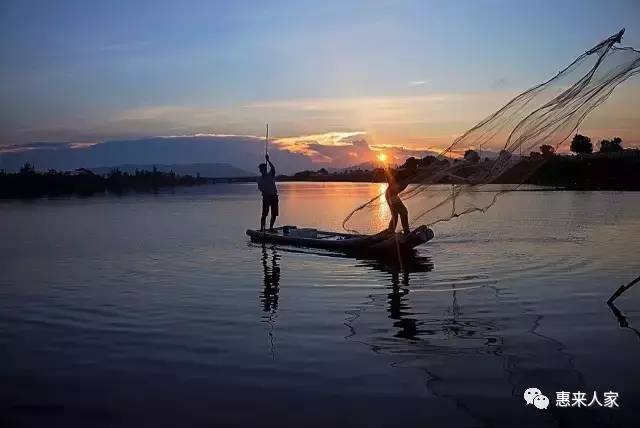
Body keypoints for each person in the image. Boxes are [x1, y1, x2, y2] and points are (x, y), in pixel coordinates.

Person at [384, 167, 412, 235]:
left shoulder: (410, 173)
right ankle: (406, 232)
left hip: (390, 194)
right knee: (403, 212)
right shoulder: (402, 173)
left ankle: (390, 232)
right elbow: (389, 177)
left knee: (395, 215)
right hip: (391, 195)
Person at [257, 154, 278, 232]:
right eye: (261, 169)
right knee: (264, 214)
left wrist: (268, 160)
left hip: (274, 196)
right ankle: (262, 228)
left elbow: (273, 168)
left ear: (266, 169)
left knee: (274, 213)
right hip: (266, 197)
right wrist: (265, 190)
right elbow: (260, 188)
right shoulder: (260, 179)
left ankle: (271, 228)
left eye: (264, 169)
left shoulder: (271, 175)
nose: (263, 170)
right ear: (260, 170)